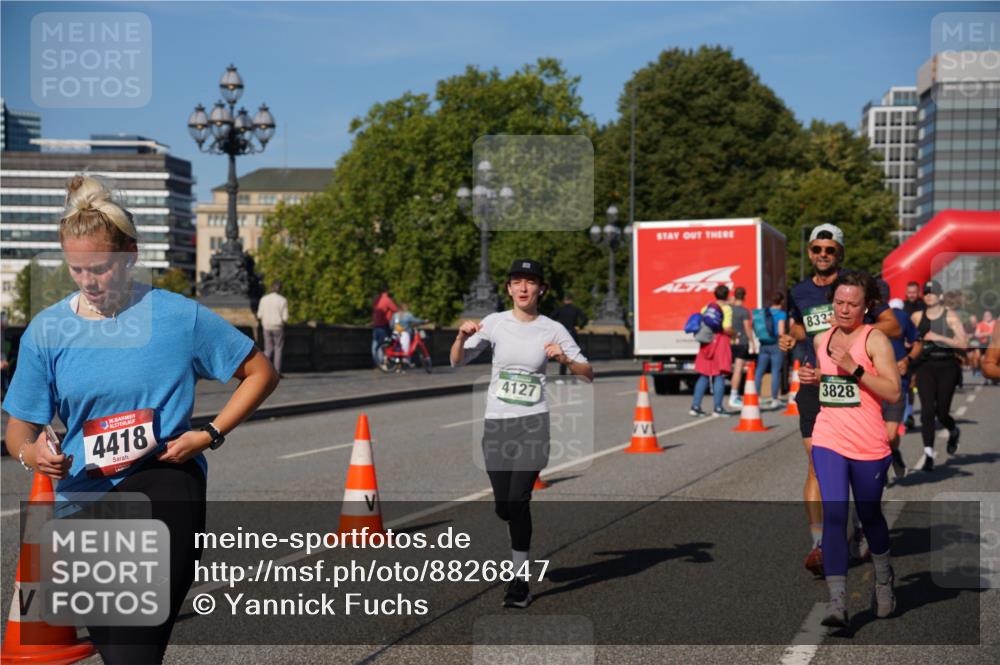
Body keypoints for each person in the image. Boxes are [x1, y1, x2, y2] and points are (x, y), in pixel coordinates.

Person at [1, 175, 279, 664]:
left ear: (130, 254)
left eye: (101, 268)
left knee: (134, 650)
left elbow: (260, 372)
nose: (89, 282)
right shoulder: (46, 331)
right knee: (123, 654)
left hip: (166, 481)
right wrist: (34, 454)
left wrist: (209, 433)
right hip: (83, 499)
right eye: (76, 270)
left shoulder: (178, 316)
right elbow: (17, 432)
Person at [450, 259, 593, 608]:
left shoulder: (553, 329)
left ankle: (520, 580)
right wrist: (461, 336)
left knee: (518, 501)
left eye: (530, 282)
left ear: (541, 288)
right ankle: (518, 559)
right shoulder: (495, 323)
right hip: (497, 424)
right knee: (503, 507)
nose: (524, 288)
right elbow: (457, 361)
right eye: (517, 282)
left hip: (533, 424)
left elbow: (588, 372)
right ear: (509, 289)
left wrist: (566, 359)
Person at [778, 223, 900, 577]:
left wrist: (852, 323)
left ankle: (863, 524)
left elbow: (892, 326)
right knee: (817, 466)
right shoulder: (798, 292)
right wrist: (791, 340)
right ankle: (820, 543)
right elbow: (801, 328)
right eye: (817, 249)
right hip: (816, 385)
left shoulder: (855, 288)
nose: (822, 255)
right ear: (811, 252)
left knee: (859, 472)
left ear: (839, 253)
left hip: (856, 387)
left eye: (829, 250)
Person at [797, 271, 902, 628]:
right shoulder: (822, 339)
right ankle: (837, 603)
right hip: (830, 437)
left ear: (866, 306)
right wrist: (816, 380)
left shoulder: (875, 340)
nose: (843, 309)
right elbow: (832, 384)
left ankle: (884, 577)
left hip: (869, 442)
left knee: (870, 516)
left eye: (851, 304)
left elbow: (892, 392)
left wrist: (854, 368)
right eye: (838, 302)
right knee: (837, 517)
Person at [910, 280, 967, 471]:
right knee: (927, 412)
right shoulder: (917, 316)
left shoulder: (950, 316)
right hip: (925, 366)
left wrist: (940, 338)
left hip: (947, 366)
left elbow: (963, 344)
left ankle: (953, 430)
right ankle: (928, 455)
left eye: (932, 292)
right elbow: (908, 338)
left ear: (940, 296)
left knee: (942, 412)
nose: (928, 295)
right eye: (925, 292)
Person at [884, 297, 920, 481]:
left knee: (889, 436)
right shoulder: (864, 319)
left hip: (897, 384)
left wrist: (907, 360)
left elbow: (917, 342)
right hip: (870, 387)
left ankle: (894, 453)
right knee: (876, 437)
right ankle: (880, 473)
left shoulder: (903, 317)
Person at [690, 285, 734, 417]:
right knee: (719, 375)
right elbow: (726, 328)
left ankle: (695, 406)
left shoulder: (706, 307)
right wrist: (735, 334)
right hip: (720, 342)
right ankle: (718, 408)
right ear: (727, 295)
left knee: (703, 375)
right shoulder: (726, 309)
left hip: (706, 343)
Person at [754, 292, 788, 407]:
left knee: (759, 371)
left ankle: (756, 397)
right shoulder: (781, 314)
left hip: (763, 344)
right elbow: (781, 331)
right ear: (781, 301)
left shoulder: (763, 312)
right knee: (775, 371)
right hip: (775, 345)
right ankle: (774, 399)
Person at [728, 286, 755, 408]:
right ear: (744, 296)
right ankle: (733, 395)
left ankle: (732, 395)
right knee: (738, 369)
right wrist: (752, 342)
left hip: (729, 342)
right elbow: (747, 328)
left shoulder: (729, 309)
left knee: (728, 368)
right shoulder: (744, 311)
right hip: (741, 342)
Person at [257, 280, 288, 376]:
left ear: (271, 288)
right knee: (278, 348)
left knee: (268, 349)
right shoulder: (282, 300)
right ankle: (277, 371)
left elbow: (259, 315)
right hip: (278, 326)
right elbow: (285, 317)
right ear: (280, 289)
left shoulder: (264, 299)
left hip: (266, 326)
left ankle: (263, 369)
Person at [551, 293, 587, 377]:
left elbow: (551, 317)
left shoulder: (560, 309)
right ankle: (573, 374)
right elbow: (585, 319)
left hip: (562, 333)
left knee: (563, 354)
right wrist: (580, 326)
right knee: (573, 355)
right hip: (572, 332)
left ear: (564, 300)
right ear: (571, 300)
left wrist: (557, 326)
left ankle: (562, 375)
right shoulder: (575, 309)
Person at [371, 287, 398, 368]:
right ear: (387, 291)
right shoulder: (387, 299)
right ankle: (382, 363)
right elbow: (395, 309)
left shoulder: (376, 300)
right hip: (383, 326)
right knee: (383, 345)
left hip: (376, 326)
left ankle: (378, 362)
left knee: (375, 345)